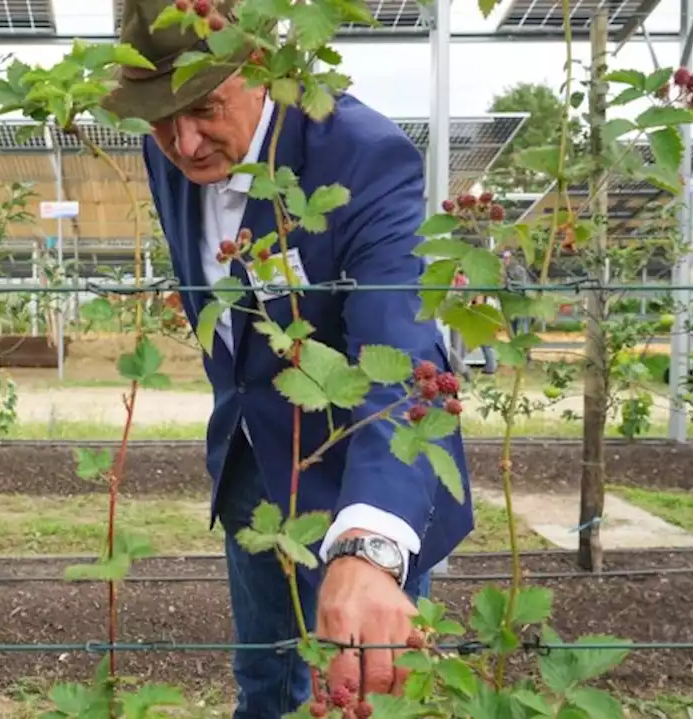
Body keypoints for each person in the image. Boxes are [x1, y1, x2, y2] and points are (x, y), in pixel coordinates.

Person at [105, 0, 474, 714]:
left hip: (354, 466)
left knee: (363, 692)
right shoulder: (168, 149)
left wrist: (369, 549)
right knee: (267, 685)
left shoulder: (363, 155)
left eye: (204, 107)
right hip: (249, 462)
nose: (182, 144)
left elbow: (397, 348)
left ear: (263, 65)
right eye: (158, 117)